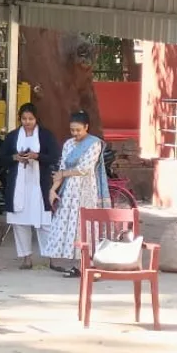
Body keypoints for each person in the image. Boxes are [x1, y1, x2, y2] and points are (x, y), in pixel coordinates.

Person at [44, 111, 109, 278]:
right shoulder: (68, 144)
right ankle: (76, 265)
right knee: (70, 226)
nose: (75, 134)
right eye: (72, 130)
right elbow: (61, 169)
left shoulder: (94, 144)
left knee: (84, 226)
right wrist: (53, 190)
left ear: (86, 127)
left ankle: (90, 265)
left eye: (78, 130)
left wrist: (63, 174)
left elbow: (84, 169)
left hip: (85, 190)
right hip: (69, 191)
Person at [0, 103, 59, 270]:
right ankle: (26, 258)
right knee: (20, 223)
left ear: (36, 118)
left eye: (30, 119)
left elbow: (54, 157)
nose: (27, 122)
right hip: (18, 185)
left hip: (39, 185)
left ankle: (52, 258)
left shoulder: (45, 135)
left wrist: (37, 156)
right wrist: (15, 157)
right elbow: (2, 158)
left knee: (45, 222)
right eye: (24, 119)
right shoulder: (12, 136)